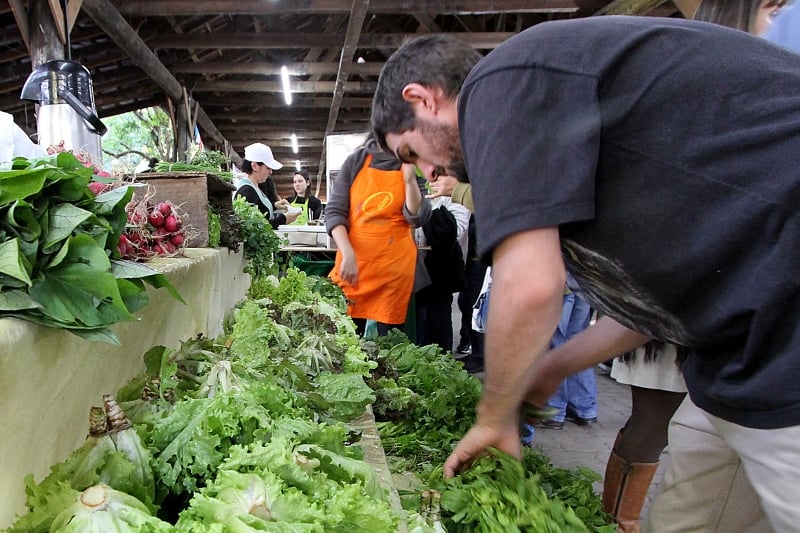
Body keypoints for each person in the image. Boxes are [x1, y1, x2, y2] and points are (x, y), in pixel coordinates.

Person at [372, 15, 800, 533]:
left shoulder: (503, 81)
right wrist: (553, 367)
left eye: (412, 153)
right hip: (738, 351)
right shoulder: (557, 120)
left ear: (424, 99)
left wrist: (494, 418)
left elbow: (530, 286)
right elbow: (657, 307)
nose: (428, 172)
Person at [325, 137, 430, 337]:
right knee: (346, 342)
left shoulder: (413, 162)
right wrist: (347, 253)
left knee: (391, 348)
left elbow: (417, 217)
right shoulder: (356, 161)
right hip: (353, 268)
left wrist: (409, 180)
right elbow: (335, 212)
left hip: (394, 272)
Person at [526, 286, 596, 437]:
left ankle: (554, 409)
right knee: (578, 340)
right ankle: (584, 408)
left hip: (560, 283)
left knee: (555, 341)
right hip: (584, 281)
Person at [414, 189, 470, 353]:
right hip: (414, 269)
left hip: (440, 271)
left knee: (439, 318)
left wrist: (433, 207)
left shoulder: (453, 197)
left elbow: (456, 231)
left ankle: (441, 360)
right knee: (419, 320)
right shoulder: (413, 191)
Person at [234, 142, 298, 229]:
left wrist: (275, 205)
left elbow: (259, 210)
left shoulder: (255, 187)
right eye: (268, 168)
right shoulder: (246, 191)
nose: (271, 172)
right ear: (255, 166)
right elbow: (255, 227)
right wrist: (284, 219)